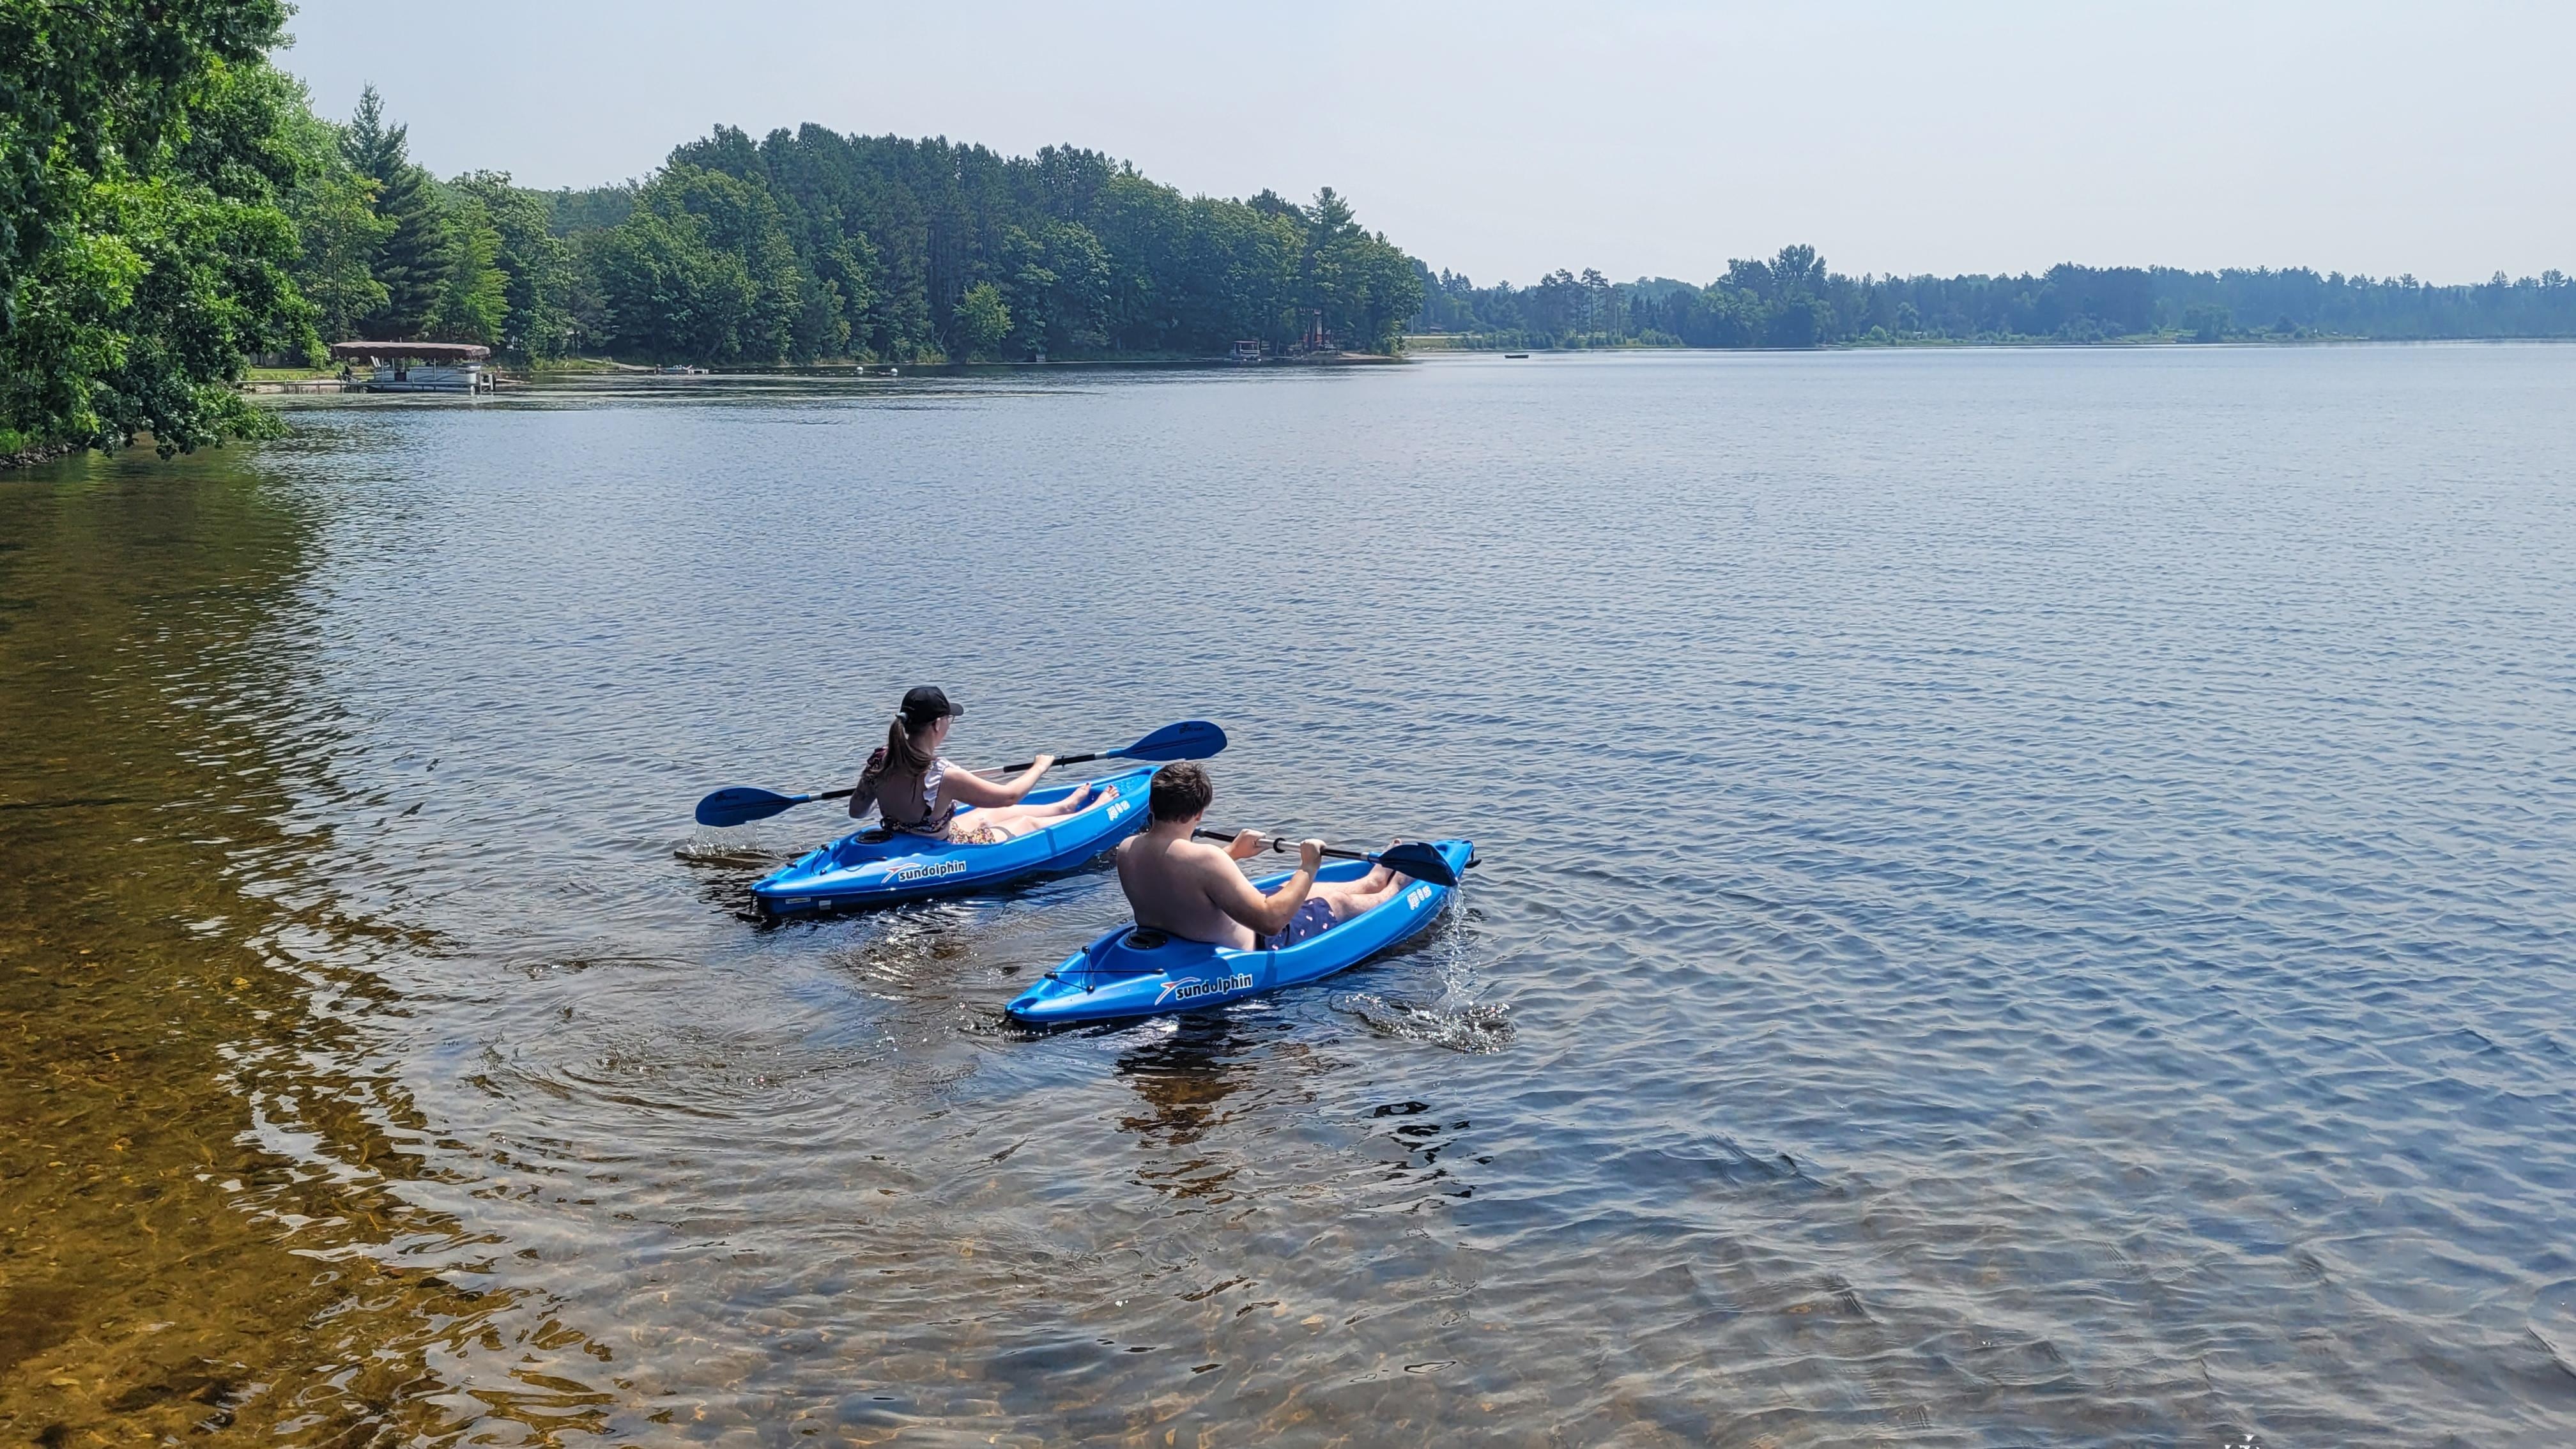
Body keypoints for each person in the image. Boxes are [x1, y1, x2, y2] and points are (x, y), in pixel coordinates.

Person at [1114, 761, 1412, 951]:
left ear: (1151, 806)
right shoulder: (1205, 859)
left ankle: (1375, 878)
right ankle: (1396, 889)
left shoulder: (1128, 849)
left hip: (1180, 936)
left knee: (1302, 891)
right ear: (1200, 813)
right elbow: (1272, 922)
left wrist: (1233, 852)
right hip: (1257, 944)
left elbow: (1181, 881)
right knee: (1337, 901)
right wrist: (1308, 866)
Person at [848, 686, 1109, 845]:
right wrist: (1040, 766)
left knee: (984, 815)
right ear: (938, 724)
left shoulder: (880, 759)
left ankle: (1062, 807)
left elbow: (857, 812)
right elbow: (1010, 796)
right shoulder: (943, 775)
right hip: (940, 844)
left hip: (905, 836)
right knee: (1025, 822)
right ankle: (1093, 812)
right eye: (949, 718)